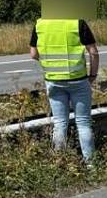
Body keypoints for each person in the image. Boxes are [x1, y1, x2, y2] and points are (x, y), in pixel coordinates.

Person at [30, 16, 99, 164]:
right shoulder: (77, 23)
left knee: (60, 123)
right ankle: (91, 164)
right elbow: (93, 52)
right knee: (83, 123)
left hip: (53, 80)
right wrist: (92, 75)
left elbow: (33, 54)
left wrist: (50, 63)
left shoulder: (40, 24)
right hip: (78, 80)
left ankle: (59, 162)